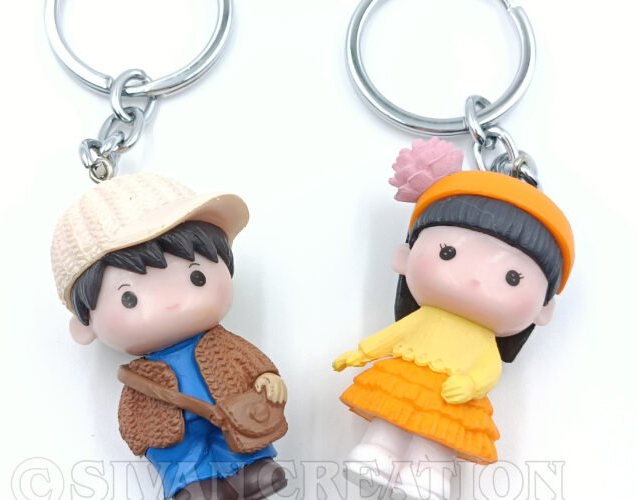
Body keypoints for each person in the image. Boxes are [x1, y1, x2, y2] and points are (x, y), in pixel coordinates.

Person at [333, 138, 574, 500]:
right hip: (407, 380)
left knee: (438, 434)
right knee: (390, 418)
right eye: (448, 253)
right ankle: (376, 454)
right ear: (404, 258)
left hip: (454, 394)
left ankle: (427, 475)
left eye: (512, 277)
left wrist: (472, 384)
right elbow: (394, 336)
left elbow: (489, 369)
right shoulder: (426, 317)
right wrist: (360, 353)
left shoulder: (483, 340)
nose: (475, 279)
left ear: (544, 310)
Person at [51, 173, 288, 500]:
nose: (171, 302)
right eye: (130, 298)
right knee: (179, 456)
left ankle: (250, 468)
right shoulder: (140, 376)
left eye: (196, 277)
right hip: (172, 429)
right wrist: (143, 431)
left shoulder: (222, 344)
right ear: (84, 327)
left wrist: (265, 377)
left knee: (240, 435)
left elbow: (250, 362)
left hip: (230, 409)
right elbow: (133, 411)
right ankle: (193, 485)